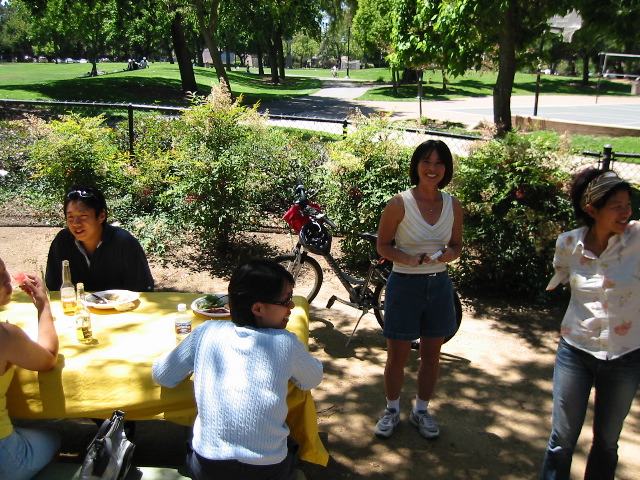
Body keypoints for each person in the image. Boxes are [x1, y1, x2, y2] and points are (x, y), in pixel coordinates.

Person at [152, 258, 323, 480]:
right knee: (290, 445)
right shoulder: (285, 343)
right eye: (287, 300)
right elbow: (312, 378)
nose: (291, 306)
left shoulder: (205, 333)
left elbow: (162, 375)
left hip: (209, 467)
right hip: (267, 468)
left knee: (191, 434)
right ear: (258, 308)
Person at [540, 169, 640, 480]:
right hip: (575, 353)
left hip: (626, 357)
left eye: (628, 204)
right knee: (562, 440)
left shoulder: (638, 239)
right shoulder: (568, 244)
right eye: (617, 206)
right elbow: (568, 282)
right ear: (592, 210)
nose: (626, 212)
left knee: (607, 443)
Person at [374, 139, 463, 440]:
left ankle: (420, 411)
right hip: (404, 285)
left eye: (439, 163)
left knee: (431, 354)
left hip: (439, 285)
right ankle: (391, 410)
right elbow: (383, 245)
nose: (432, 168)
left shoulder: (453, 205)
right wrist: (408, 258)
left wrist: (452, 253)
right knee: (397, 355)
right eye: (426, 161)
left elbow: (457, 245)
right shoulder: (399, 203)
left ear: (446, 169)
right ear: (416, 165)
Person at [0, 258, 60, 480]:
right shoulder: (6, 336)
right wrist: (43, 304)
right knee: (51, 435)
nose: (7, 280)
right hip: (5, 459)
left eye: (5, 270)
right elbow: (48, 358)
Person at [45, 185, 154, 293]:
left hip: (120, 308)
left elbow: (143, 290)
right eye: (70, 217)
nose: (75, 223)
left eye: (83, 216)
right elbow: (53, 288)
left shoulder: (124, 243)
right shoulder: (63, 241)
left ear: (101, 216)